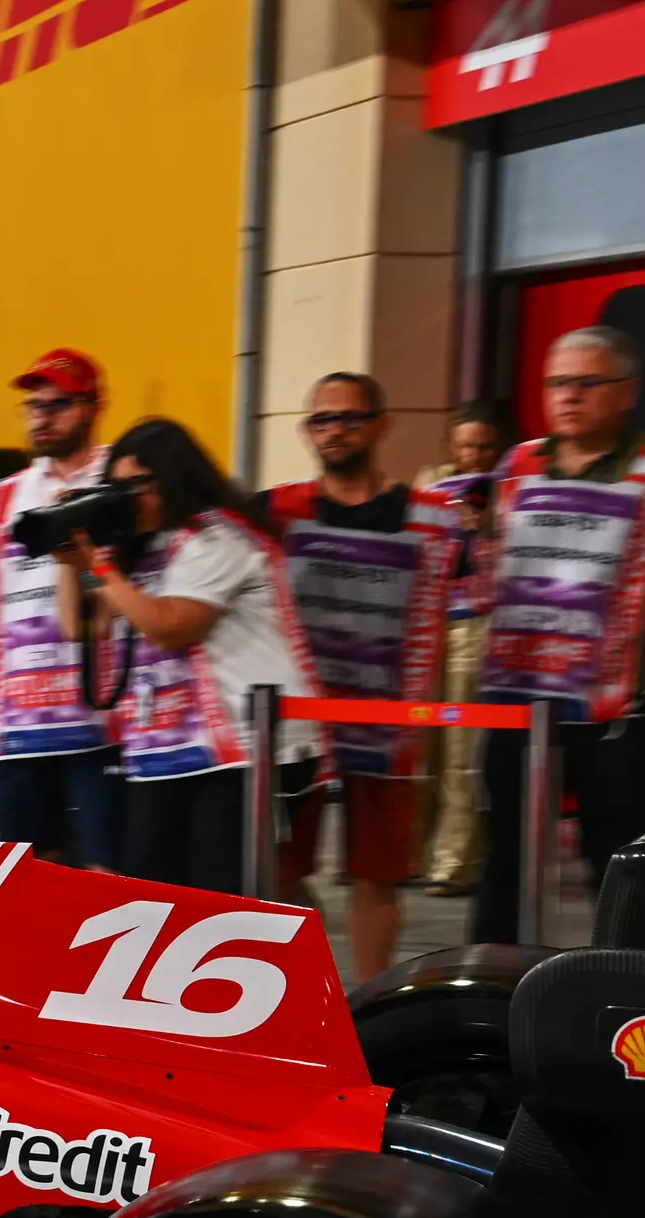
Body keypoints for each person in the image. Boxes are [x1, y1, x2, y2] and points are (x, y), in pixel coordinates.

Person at [469, 327, 645, 944]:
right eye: (556, 383)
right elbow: (490, 560)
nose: (568, 396)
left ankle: (626, 988)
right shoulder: (517, 465)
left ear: (627, 392)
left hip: (619, 713)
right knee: (507, 861)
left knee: (622, 867)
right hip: (520, 704)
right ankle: (493, 988)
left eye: (585, 383)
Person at [57, 418, 317, 896]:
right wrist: (72, 559)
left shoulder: (218, 537)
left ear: (175, 478)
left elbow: (171, 628)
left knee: (220, 895)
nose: (128, 498)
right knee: (154, 892)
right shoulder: (145, 549)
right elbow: (82, 627)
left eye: (139, 484)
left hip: (243, 746)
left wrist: (99, 566)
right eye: (116, 486)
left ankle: (284, 941)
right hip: (167, 746)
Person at [263, 373, 461, 980]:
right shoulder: (275, 511)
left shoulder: (433, 518)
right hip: (298, 725)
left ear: (382, 425)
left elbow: (482, 589)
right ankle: (308, 986)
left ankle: (369, 1006)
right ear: (307, 431)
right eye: (322, 420)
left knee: (377, 875)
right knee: (278, 869)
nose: (335, 431)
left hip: (386, 725)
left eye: (349, 418)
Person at [0, 350, 124, 865]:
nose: (41, 418)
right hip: (21, 721)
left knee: (110, 867)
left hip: (104, 720)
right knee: (28, 870)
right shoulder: (7, 495)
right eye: (33, 406)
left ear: (93, 406)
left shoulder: (120, 481)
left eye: (57, 405)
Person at [418, 401, 510, 893]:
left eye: (484, 447)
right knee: (419, 746)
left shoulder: (515, 489)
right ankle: (411, 853)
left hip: (479, 621)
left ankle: (456, 861)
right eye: (465, 446)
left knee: (461, 748)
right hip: (429, 622)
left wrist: (489, 526)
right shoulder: (432, 484)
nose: (474, 456)